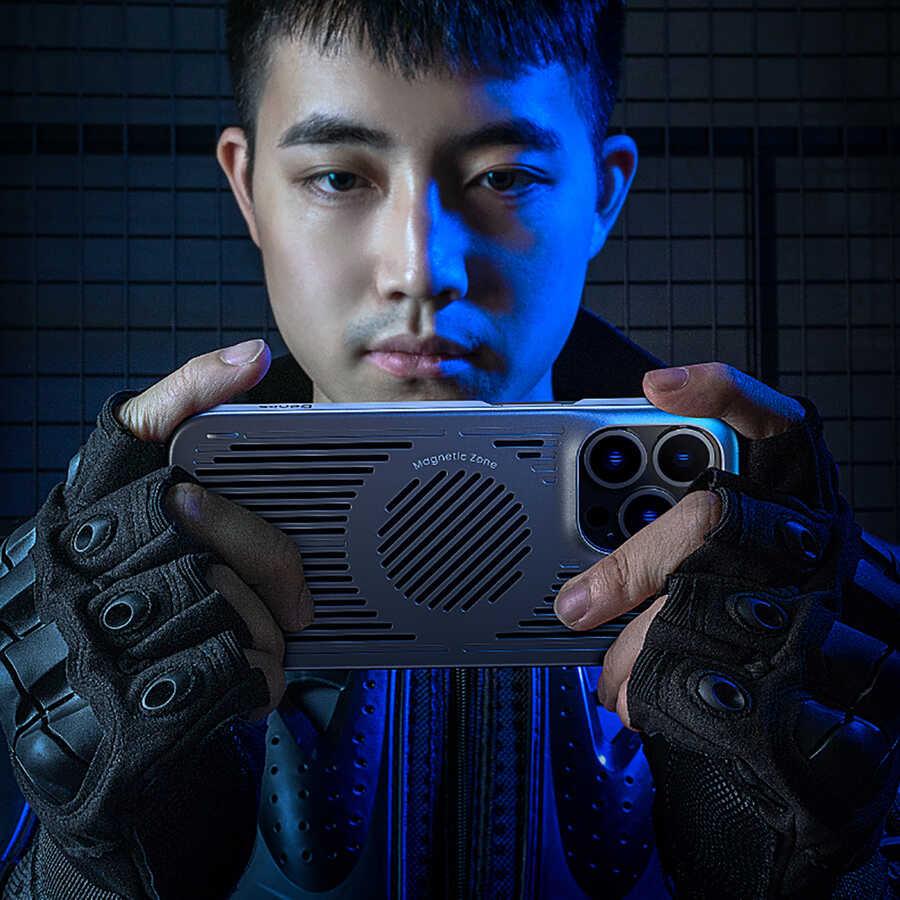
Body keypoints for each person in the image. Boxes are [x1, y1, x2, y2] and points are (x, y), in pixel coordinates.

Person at [1, 1, 898, 897]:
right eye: (338, 177)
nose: (422, 268)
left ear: (603, 192)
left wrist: (827, 862)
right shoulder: (122, 586)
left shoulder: (782, 584)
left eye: (504, 177)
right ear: (248, 188)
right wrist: (93, 866)